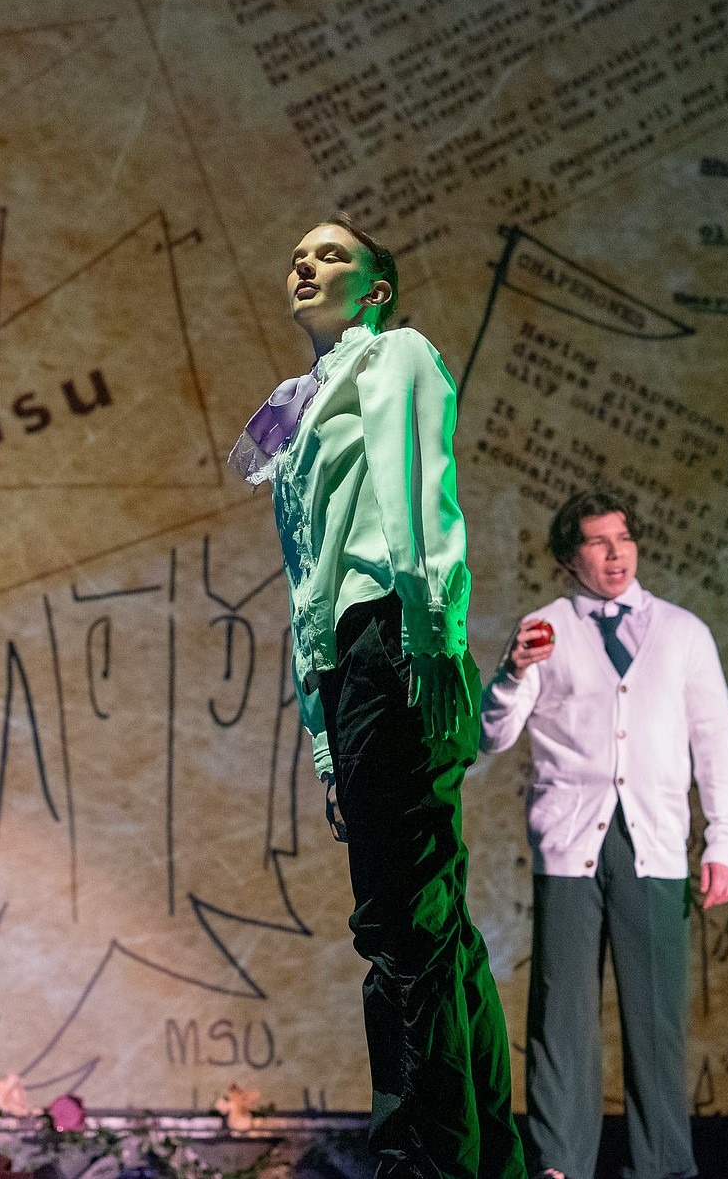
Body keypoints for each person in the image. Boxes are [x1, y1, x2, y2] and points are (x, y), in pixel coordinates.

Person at [231, 214, 524, 1179]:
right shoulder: (292, 404)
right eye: (298, 253)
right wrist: (320, 734)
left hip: (394, 638)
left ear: (377, 288)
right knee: (430, 918)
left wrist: (433, 631)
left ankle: (420, 1157)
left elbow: (415, 487)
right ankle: (484, 1154)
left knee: (400, 924)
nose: (305, 263)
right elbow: (301, 569)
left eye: (332, 255)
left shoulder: (394, 355)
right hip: (349, 661)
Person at [478, 490, 728, 1179]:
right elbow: (492, 735)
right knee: (561, 1017)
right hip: (570, 845)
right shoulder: (544, 626)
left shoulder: (683, 632)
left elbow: (713, 743)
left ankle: (661, 1167)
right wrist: (511, 673)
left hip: (653, 844)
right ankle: (558, 1164)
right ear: (570, 557)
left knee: (656, 1018)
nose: (614, 552)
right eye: (597, 542)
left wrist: (721, 841)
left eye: (622, 538)